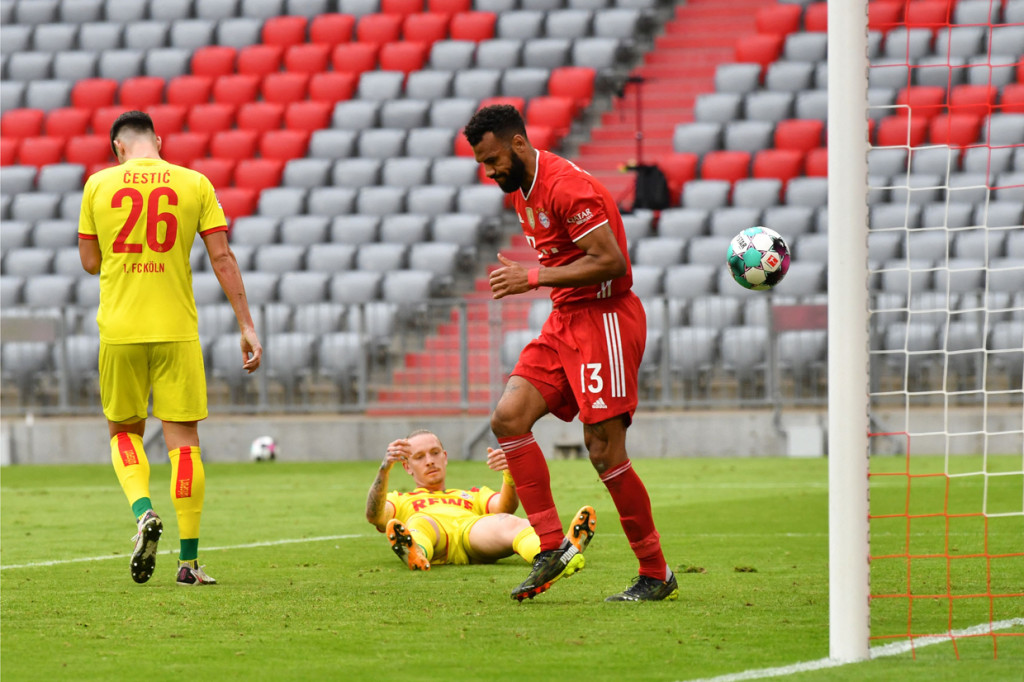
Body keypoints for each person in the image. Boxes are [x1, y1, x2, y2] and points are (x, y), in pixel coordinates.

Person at [463, 104, 677, 602]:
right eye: (482, 164)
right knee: (509, 416)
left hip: (605, 320)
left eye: (493, 159)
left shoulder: (565, 187)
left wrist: (531, 277)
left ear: (519, 144)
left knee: (604, 452)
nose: (490, 171)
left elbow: (610, 261)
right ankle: (551, 546)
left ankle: (655, 571)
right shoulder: (524, 194)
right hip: (566, 320)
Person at [78, 110, 263, 586]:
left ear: (117, 148)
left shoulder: (98, 185)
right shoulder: (195, 183)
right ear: (158, 140)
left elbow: (90, 262)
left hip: (119, 329)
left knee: (124, 431)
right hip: (176, 329)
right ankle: (189, 562)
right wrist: (246, 323)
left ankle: (143, 512)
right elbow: (221, 256)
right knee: (184, 443)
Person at [365, 429, 595, 577]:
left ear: (444, 457)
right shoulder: (401, 499)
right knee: (420, 521)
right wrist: (384, 470)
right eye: (419, 457)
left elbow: (503, 508)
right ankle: (415, 551)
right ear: (406, 466)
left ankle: (558, 554)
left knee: (510, 522)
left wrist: (509, 474)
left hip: (469, 534)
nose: (430, 461)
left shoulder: (471, 494)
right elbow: (375, 515)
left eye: (435, 453)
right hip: (431, 534)